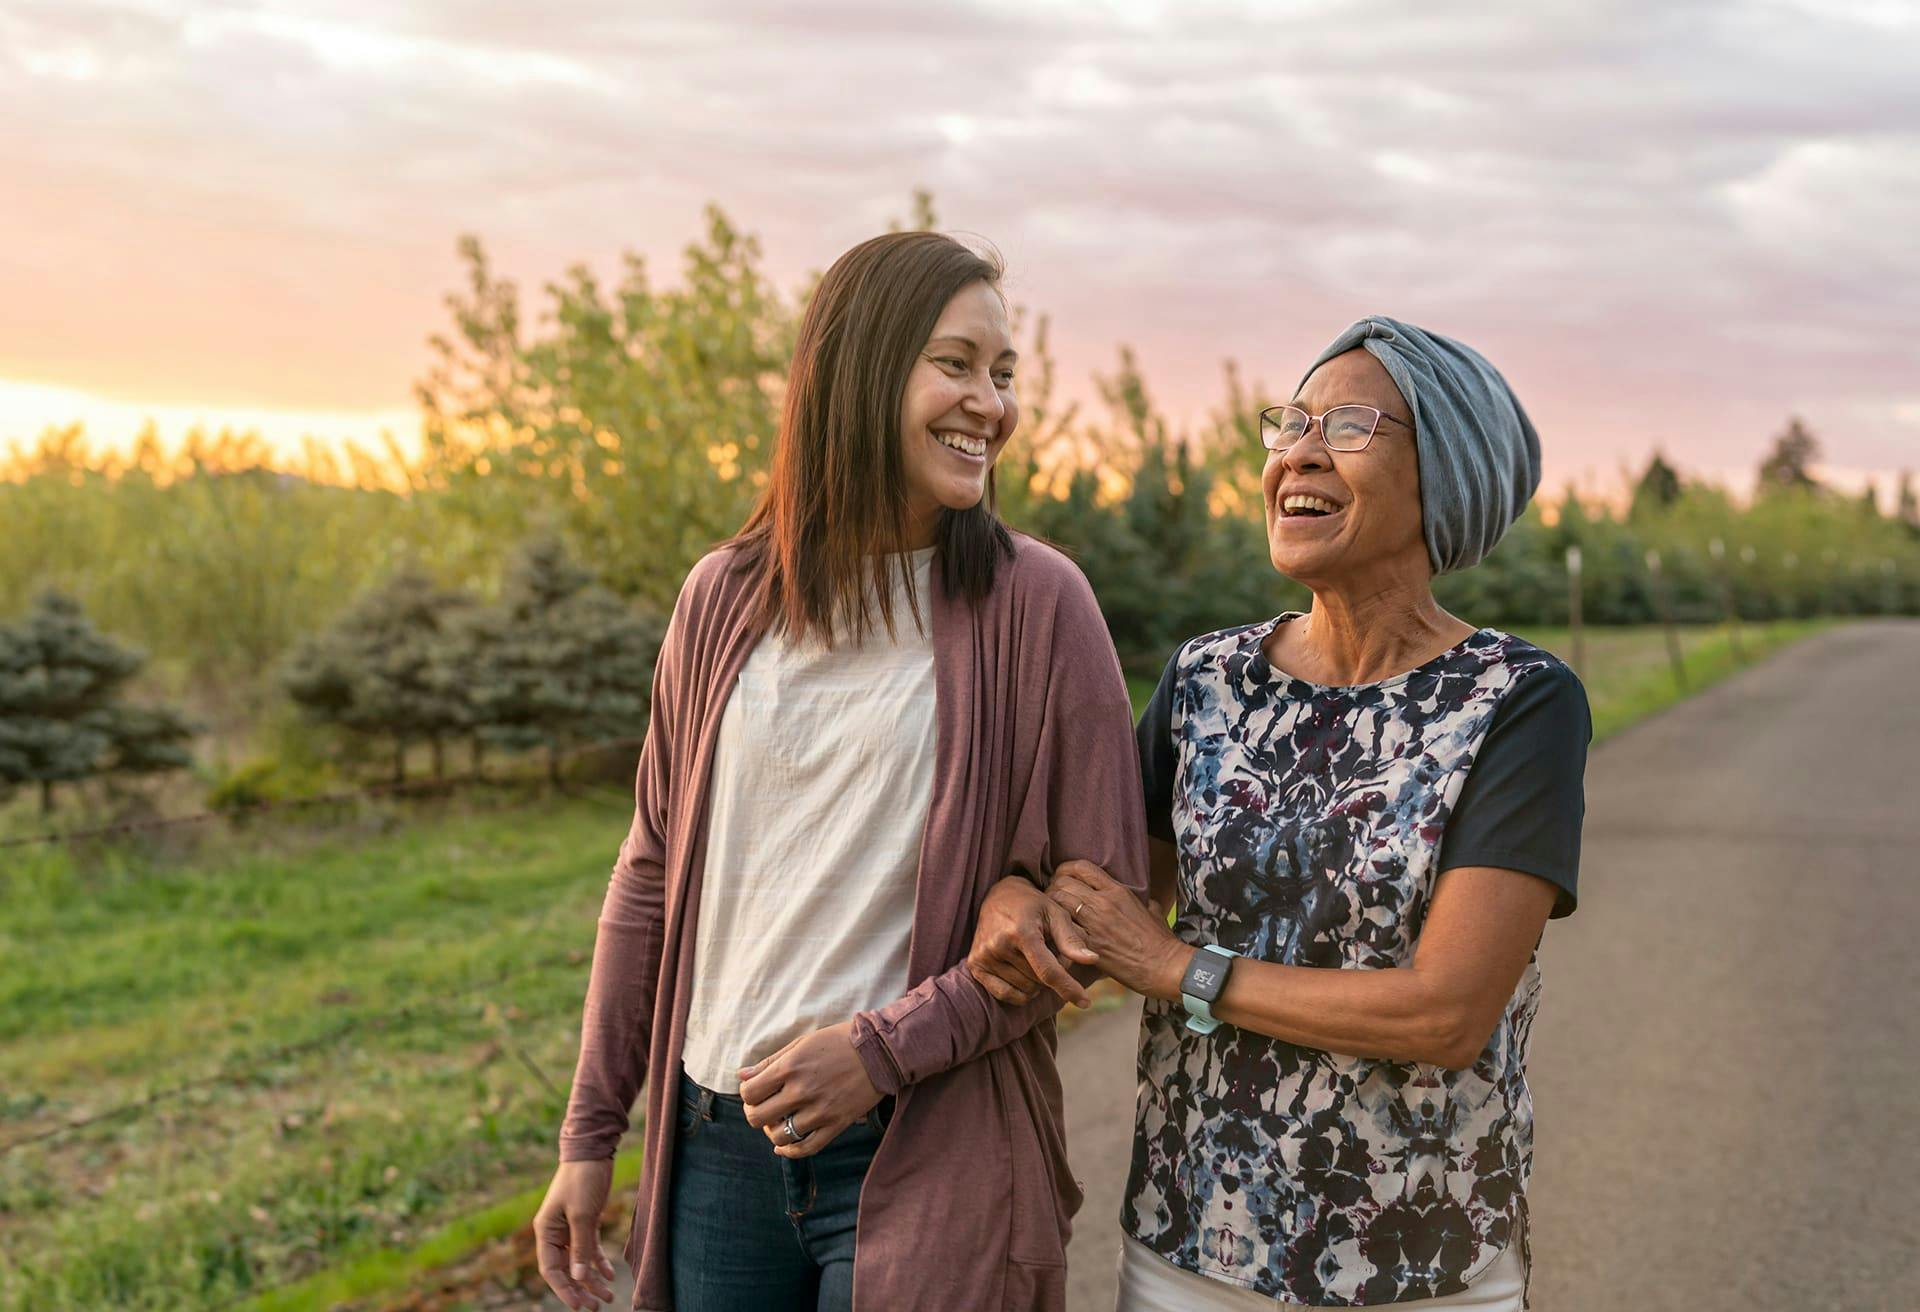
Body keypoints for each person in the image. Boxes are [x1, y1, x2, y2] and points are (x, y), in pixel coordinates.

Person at [533, 230, 1148, 1312]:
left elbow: (1100, 914)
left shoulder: (1042, 606)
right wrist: (592, 1131)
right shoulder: (722, 597)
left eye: (1003, 375)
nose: (990, 405)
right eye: (955, 364)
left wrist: (884, 1049)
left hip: (928, 1141)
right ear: (860, 368)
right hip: (716, 1149)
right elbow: (649, 872)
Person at [969, 317, 1589, 1309]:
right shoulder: (1205, 679)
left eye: (1348, 425)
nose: (1297, 451)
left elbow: (1446, 1013)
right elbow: (1097, 900)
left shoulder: (1517, 700)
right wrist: (1013, 895)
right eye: (1290, 423)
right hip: (1187, 1250)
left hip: (1422, 1264)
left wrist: (1180, 967)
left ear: (1448, 472)